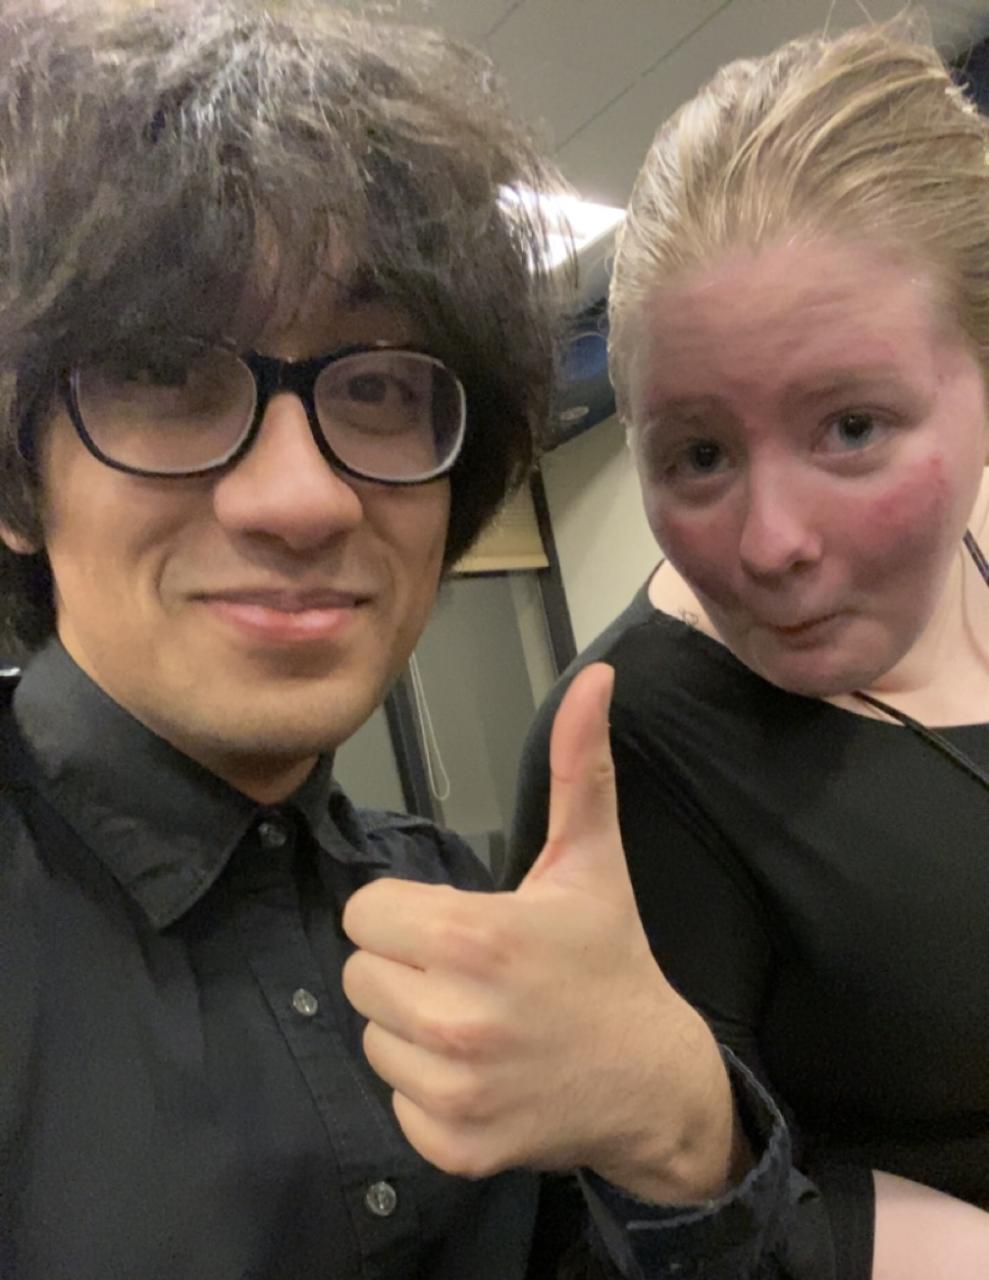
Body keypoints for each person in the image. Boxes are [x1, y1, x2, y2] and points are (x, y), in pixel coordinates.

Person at [0, 2, 805, 1278]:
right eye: (161, 371)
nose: (301, 497)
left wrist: (685, 1133)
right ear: (20, 482)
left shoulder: (469, 905)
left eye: (377, 388)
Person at [508, 15, 989, 1280]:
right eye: (699, 455)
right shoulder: (627, 747)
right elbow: (660, 1216)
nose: (769, 543)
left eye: (850, 427)